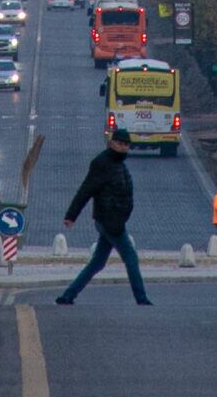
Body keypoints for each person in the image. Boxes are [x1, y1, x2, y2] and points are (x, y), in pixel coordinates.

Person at [55, 129, 151, 305]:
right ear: (111, 142)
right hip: (109, 221)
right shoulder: (102, 163)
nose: (123, 148)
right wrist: (71, 215)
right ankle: (141, 298)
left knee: (98, 262)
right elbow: (86, 189)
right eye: (120, 143)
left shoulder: (119, 164)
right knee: (130, 257)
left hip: (113, 220)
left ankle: (68, 296)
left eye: (126, 145)